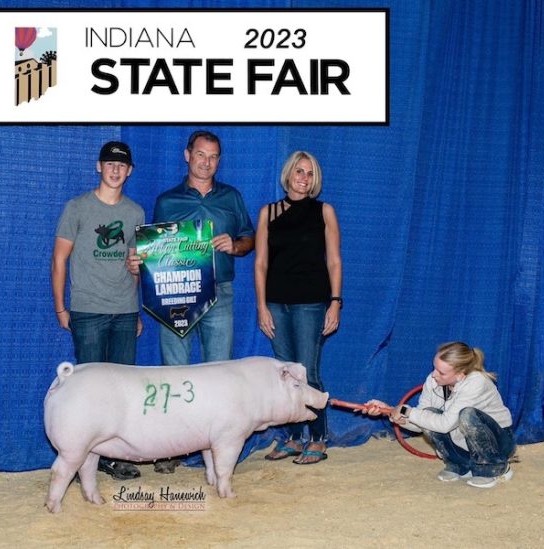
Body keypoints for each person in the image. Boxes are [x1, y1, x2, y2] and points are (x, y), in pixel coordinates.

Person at [127, 130, 255, 473]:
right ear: (187, 156)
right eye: (201, 154)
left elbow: (249, 239)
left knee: (218, 373)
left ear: (219, 160)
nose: (206, 162)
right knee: (175, 373)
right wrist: (141, 260)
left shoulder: (232, 197)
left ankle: (217, 448)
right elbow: (155, 249)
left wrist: (236, 245)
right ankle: (172, 449)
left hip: (220, 292)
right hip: (176, 293)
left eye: (213, 156)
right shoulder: (167, 201)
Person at [51, 141, 145, 481]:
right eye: (109, 164)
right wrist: (61, 306)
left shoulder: (135, 213)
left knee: (123, 388)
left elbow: (134, 263)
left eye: (122, 165)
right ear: (99, 167)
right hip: (87, 309)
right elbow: (59, 259)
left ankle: (116, 454)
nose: (115, 170)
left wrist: (135, 307)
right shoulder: (77, 208)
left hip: (124, 310)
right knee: (88, 390)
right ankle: (85, 456)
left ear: (130, 171)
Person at [254, 151, 342, 465]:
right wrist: (262, 306)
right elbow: (261, 263)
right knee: (285, 374)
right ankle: (292, 438)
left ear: (314, 180)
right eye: (299, 172)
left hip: (312, 303)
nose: (303, 178)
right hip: (276, 303)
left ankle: (318, 438)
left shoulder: (324, 212)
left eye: (309, 173)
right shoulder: (269, 212)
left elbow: (334, 260)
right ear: (288, 175)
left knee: (308, 371)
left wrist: (335, 302)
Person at [364, 342, 516, 488]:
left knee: (467, 414)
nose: (434, 375)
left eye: (441, 372)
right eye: (434, 368)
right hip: (464, 442)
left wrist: (406, 411)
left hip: (499, 442)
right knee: (429, 414)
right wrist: (392, 412)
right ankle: (459, 464)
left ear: (460, 376)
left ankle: (496, 466)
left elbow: (444, 425)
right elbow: (422, 421)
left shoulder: (477, 382)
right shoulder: (432, 380)